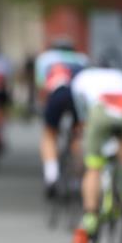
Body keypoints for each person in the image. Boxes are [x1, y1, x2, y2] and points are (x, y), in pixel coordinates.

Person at [70, 63, 122, 237]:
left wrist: (83, 125)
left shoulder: (82, 78)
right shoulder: (121, 75)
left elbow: (81, 110)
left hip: (100, 111)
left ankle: (91, 215)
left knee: (93, 167)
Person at [35, 37, 89, 198]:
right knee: (77, 136)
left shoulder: (45, 59)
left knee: (49, 134)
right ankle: (75, 180)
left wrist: (43, 108)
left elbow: (42, 87)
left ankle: (51, 176)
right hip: (77, 96)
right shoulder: (82, 59)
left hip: (57, 94)